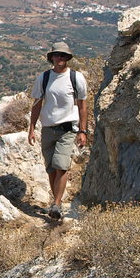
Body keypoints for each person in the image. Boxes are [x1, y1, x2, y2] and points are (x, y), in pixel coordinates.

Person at [26, 42, 88, 218]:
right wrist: (31, 129)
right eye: (56, 55)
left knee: (61, 166)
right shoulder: (44, 78)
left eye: (63, 55)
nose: (59, 58)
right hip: (48, 129)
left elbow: (82, 106)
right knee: (51, 169)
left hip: (68, 129)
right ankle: (56, 203)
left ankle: (56, 203)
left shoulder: (76, 78)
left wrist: (83, 131)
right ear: (51, 57)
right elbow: (36, 105)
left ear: (68, 57)